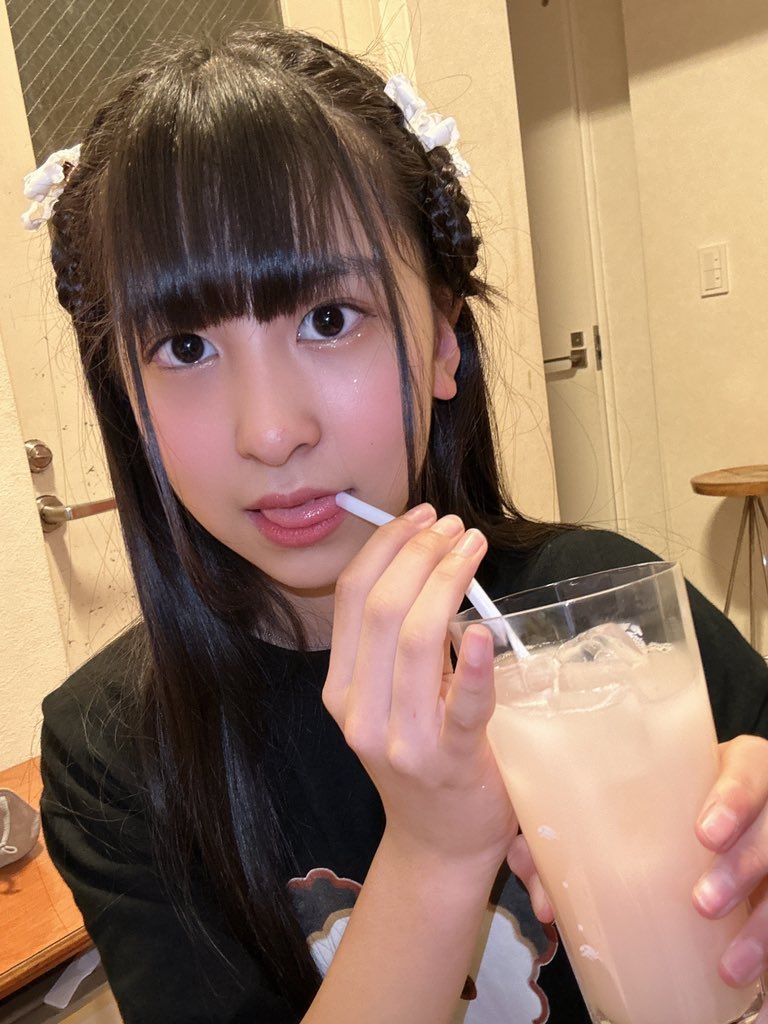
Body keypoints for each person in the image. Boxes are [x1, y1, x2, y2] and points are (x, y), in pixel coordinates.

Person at [32, 25, 768, 1024]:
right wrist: (436, 847)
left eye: (329, 319)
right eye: (187, 346)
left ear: (442, 342)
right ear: (126, 393)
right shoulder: (113, 752)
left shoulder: (608, 619)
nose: (272, 431)